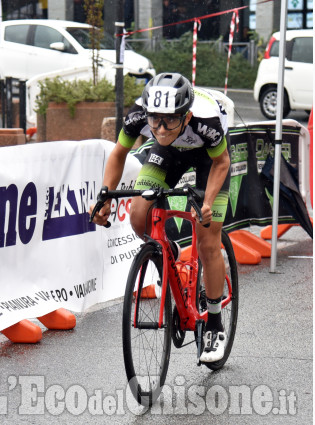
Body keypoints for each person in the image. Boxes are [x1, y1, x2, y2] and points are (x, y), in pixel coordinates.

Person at [90, 72, 231, 363]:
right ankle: (169, 251)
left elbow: (222, 162)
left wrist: (206, 203)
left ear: (187, 115)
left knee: (207, 240)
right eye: (155, 119)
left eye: (169, 120)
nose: (161, 127)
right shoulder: (140, 116)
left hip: (209, 159)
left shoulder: (207, 122)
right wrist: (105, 195)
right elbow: (118, 154)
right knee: (139, 215)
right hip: (167, 155)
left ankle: (214, 324)